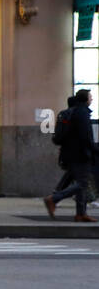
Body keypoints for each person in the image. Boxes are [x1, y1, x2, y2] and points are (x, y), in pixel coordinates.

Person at [45, 89, 96, 222]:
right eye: (90, 97)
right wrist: (95, 150)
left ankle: (80, 213)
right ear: (85, 99)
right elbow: (85, 137)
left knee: (79, 182)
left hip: (70, 153)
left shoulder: (73, 112)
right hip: (80, 154)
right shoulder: (82, 113)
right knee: (82, 183)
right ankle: (54, 199)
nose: (92, 99)